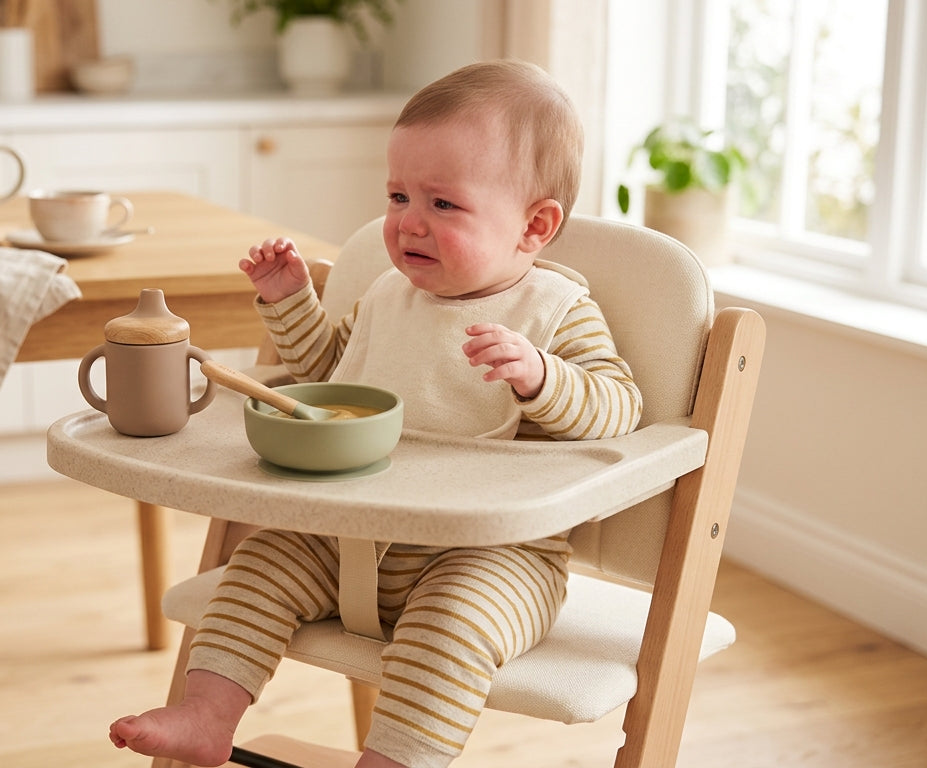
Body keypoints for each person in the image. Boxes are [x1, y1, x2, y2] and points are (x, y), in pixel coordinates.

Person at [109, 59, 643, 768]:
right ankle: (206, 716)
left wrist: (543, 376)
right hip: (348, 536)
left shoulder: (552, 313)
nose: (407, 223)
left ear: (533, 226)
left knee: (452, 628)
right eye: (397, 196)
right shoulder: (391, 297)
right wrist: (289, 301)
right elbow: (330, 375)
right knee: (261, 561)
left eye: (442, 205)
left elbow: (619, 405)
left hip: (490, 559)